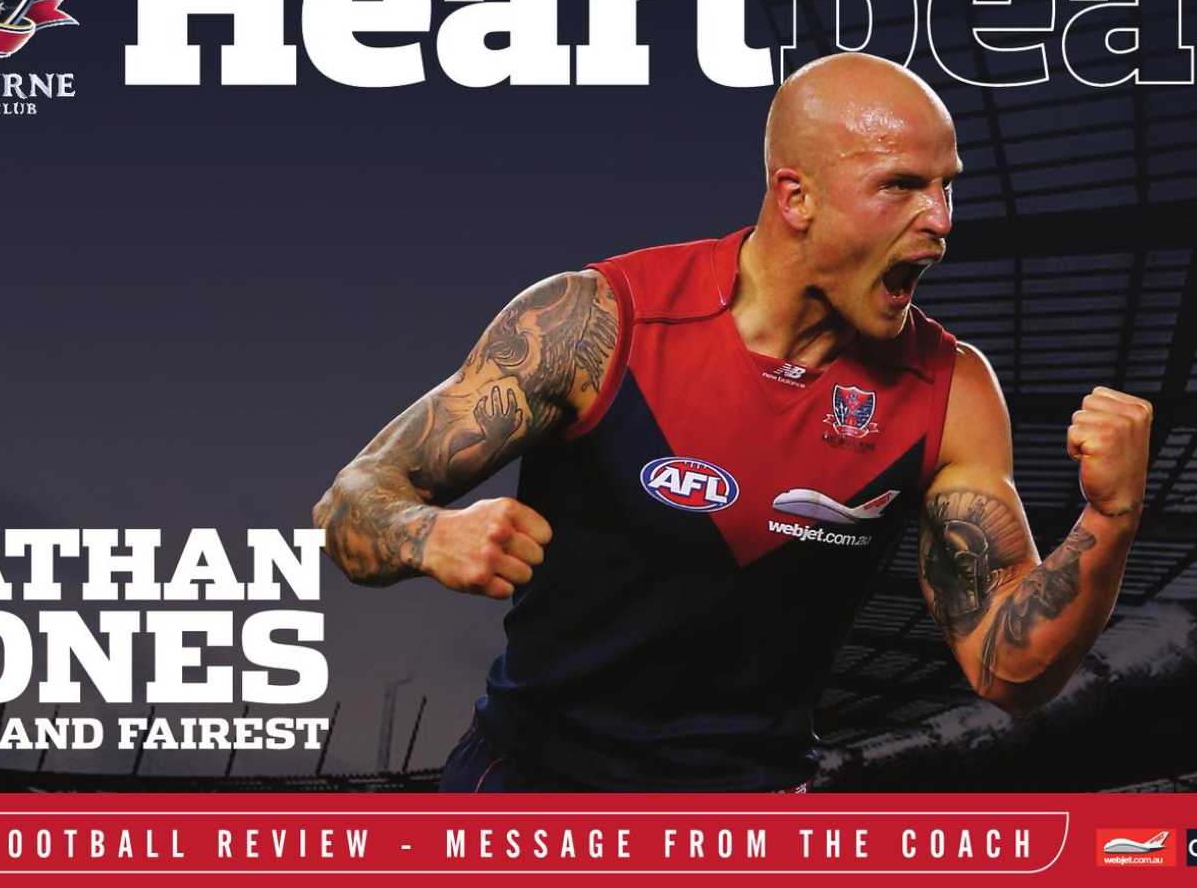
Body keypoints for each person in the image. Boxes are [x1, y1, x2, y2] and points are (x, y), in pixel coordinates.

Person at [313, 52, 1152, 792]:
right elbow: (352, 500)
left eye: (946, 187)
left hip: (746, 814)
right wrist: (429, 535)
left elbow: (1009, 667)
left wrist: (1110, 519)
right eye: (902, 186)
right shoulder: (599, 324)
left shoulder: (950, 389)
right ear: (797, 197)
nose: (940, 221)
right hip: (533, 785)